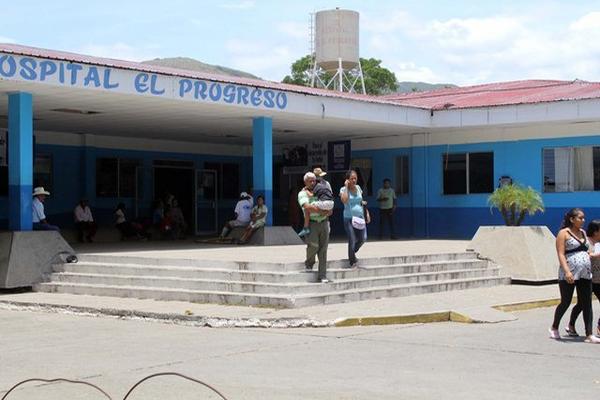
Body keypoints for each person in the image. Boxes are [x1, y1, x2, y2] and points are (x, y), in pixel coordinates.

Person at [549, 208, 600, 343]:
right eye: (580, 218)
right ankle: (554, 327)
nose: (583, 220)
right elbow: (560, 253)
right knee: (565, 302)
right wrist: (567, 271)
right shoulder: (563, 233)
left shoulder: (583, 233)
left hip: (585, 273)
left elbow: (587, 250)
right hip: (569, 273)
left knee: (586, 302)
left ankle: (589, 334)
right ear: (572, 219)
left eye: (583, 218)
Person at [566, 219, 600, 337]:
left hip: (599, 279)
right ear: (596, 232)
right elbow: (585, 255)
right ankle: (571, 325)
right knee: (582, 304)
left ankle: (599, 327)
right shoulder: (587, 242)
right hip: (587, 278)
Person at [298, 172, 333, 283]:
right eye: (310, 181)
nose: (313, 183)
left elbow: (330, 207)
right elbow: (307, 207)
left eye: (314, 180)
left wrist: (327, 212)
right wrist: (322, 211)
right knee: (313, 246)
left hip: (324, 223)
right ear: (305, 182)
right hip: (312, 223)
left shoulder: (321, 191)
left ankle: (322, 275)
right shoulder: (302, 193)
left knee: (323, 250)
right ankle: (309, 262)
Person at [340, 170, 369, 268]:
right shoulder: (343, 189)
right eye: (351, 178)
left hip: (360, 218)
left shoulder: (358, 188)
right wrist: (346, 188)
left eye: (355, 178)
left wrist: (367, 213)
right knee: (352, 239)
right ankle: (352, 260)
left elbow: (362, 202)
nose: (354, 180)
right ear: (347, 180)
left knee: (363, 238)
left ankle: (352, 251)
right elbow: (344, 200)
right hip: (348, 218)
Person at [298, 167, 334, 238]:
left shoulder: (317, 186)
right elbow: (330, 195)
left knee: (307, 207)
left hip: (324, 203)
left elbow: (311, 197)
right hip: (329, 203)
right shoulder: (327, 184)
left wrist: (305, 190)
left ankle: (305, 227)